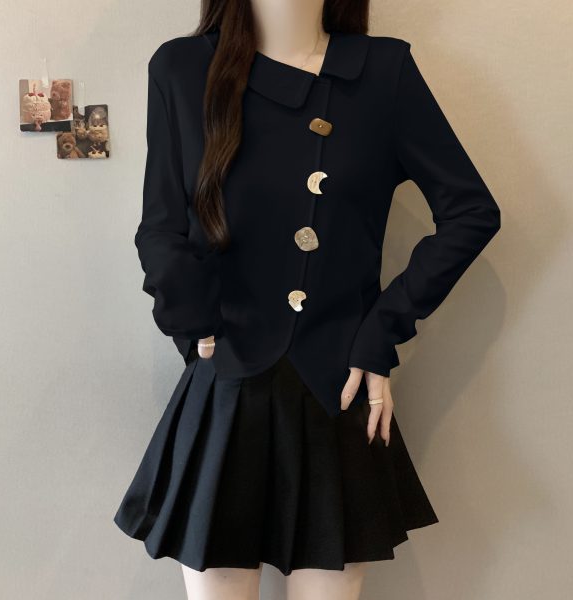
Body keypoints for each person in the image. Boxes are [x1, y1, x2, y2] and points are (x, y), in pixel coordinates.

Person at [113, 1, 501, 598]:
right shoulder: (183, 68)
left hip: (336, 386)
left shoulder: (382, 70)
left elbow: (471, 212)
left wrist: (380, 333)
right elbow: (161, 226)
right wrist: (190, 320)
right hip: (227, 382)